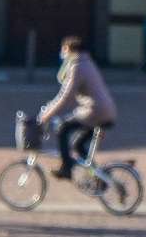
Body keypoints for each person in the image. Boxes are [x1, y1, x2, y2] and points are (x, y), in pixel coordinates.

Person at [39, 36, 116, 179]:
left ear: (68, 49)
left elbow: (65, 96)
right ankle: (98, 176)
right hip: (104, 111)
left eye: (63, 50)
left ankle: (66, 169)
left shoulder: (78, 66)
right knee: (78, 145)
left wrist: (46, 116)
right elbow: (66, 88)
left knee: (62, 128)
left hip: (95, 112)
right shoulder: (86, 62)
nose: (62, 54)